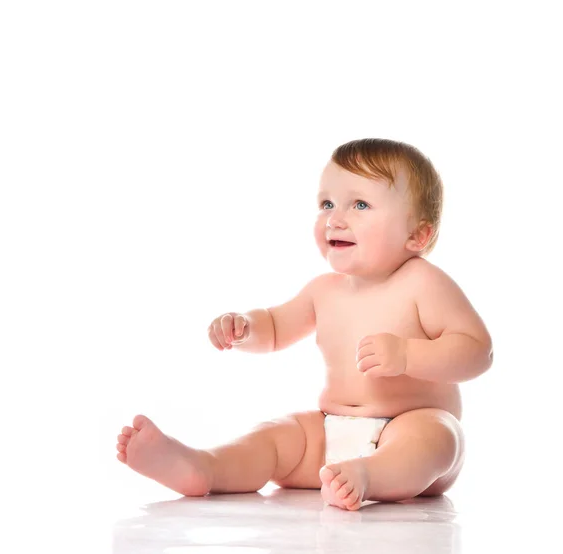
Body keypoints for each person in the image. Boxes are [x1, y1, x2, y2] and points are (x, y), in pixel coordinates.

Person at [116, 138, 493, 511]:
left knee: (435, 437)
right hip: (331, 428)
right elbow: (277, 327)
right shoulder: (324, 291)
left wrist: (409, 354)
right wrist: (245, 327)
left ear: (417, 234)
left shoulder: (423, 284)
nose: (335, 218)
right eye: (327, 203)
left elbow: (478, 350)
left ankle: (368, 476)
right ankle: (205, 467)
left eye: (360, 204)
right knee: (276, 436)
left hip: (410, 424)